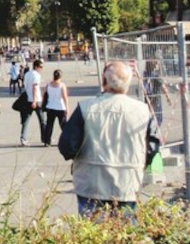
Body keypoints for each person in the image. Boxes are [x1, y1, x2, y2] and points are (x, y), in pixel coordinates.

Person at [59, 61, 160, 219]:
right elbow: (153, 146)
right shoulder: (143, 110)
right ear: (128, 83)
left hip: (91, 181)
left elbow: (67, 146)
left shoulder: (86, 108)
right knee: (125, 235)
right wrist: (142, 162)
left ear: (104, 81)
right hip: (127, 180)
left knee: (92, 236)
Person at [18, 59, 45, 146]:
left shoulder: (27, 74)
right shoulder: (36, 75)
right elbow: (35, 88)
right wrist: (34, 100)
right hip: (36, 100)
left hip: (28, 99)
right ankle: (45, 138)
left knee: (26, 120)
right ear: (36, 66)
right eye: (41, 67)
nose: (42, 69)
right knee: (42, 120)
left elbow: (25, 86)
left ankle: (23, 138)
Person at [41, 69, 71, 146]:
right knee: (64, 126)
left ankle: (47, 141)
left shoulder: (48, 85)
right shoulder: (62, 85)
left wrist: (44, 101)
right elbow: (65, 97)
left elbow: (43, 93)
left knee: (49, 125)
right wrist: (67, 108)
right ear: (60, 76)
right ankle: (67, 140)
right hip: (60, 108)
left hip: (50, 107)